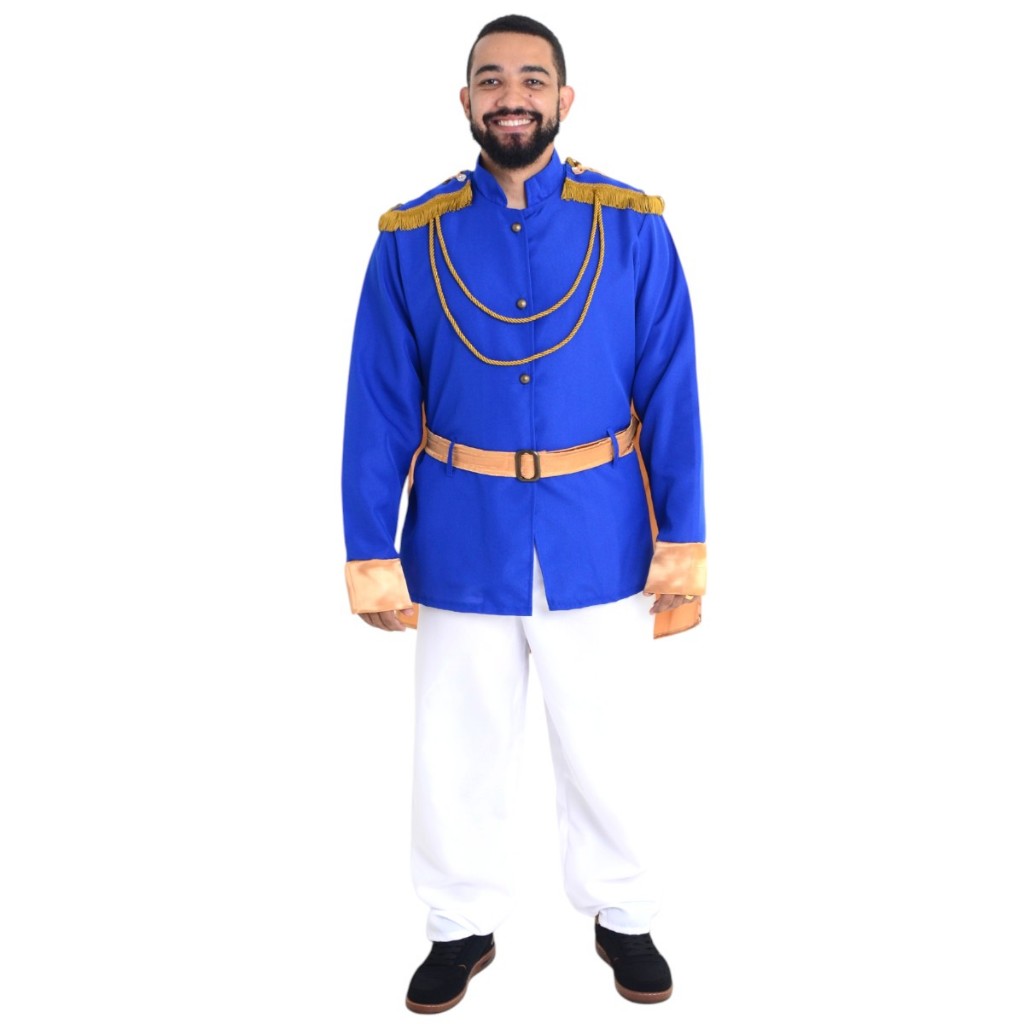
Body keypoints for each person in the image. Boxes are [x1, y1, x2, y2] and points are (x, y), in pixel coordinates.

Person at [341, 13, 706, 1013]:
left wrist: (682, 544)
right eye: (492, 79)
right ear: (466, 101)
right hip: (462, 534)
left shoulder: (632, 226)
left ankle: (625, 913)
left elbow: (671, 392)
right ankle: (457, 926)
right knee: (454, 747)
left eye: (532, 80)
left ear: (564, 99)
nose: (513, 96)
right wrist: (371, 551)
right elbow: (378, 405)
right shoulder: (410, 240)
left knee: (610, 745)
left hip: (601, 531)